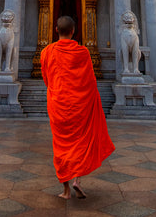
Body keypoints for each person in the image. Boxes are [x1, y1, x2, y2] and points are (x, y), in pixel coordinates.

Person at [41, 15, 115, 199]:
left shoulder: (47, 52)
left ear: (56, 30)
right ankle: (77, 180)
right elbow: (90, 81)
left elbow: (46, 78)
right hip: (79, 105)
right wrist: (91, 102)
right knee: (80, 142)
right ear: (74, 31)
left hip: (58, 103)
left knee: (61, 147)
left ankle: (66, 191)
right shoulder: (82, 52)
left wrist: (56, 92)